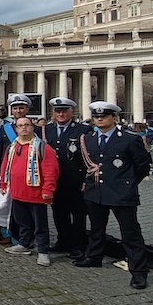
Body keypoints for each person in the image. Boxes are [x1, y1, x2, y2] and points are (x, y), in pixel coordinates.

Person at [74, 101, 151, 289]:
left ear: (114, 117)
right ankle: (94, 256)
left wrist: (128, 183)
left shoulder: (129, 139)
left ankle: (139, 272)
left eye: (104, 116)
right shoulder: (88, 138)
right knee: (96, 228)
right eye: (96, 116)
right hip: (96, 191)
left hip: (121, 193)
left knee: (130, 233)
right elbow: (84, 164)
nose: (99, 119)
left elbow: (142, 166)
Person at [0, 117, 59, 267]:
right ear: (16, 129)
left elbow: (51, 170)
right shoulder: (12, 147)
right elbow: (5, 165)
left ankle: (43, 251)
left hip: (36, 193)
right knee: (23, 222)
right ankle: (24, 243)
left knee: (40, 225)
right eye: (20, 126)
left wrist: (48, 189)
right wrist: (3, 183)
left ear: (32, 127)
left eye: (26, 125)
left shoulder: (43, 147)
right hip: (17, 192)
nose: (23, 128)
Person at [44, 97, 92, 259]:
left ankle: (79, 245)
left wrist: (87, 179)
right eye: (58, 111)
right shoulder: (46, 130)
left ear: (72, 112)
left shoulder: (82, 130)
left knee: (78, 214)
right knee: (59, 213)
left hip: (75, 180)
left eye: (64, 111)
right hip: (56, 180)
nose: (61, 114)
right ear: (53, 113)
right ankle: (63, 240)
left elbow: (88, 157)